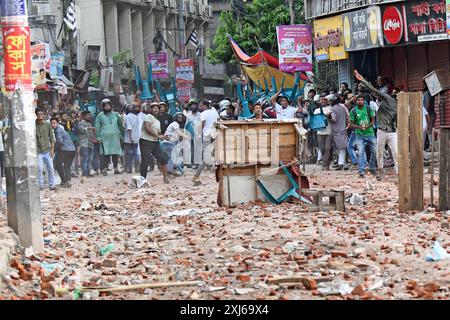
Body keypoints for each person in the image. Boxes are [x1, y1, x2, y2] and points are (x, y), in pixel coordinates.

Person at [354, 70, 398, 179]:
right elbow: (374, 90)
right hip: (382, 130)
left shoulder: (400, 106)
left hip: (392, 131)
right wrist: (362, 80)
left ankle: (398, 173)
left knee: (396, 152)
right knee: (378, 152)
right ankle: (381, 170)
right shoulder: (388, 99)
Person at [139, 102, 169, 183]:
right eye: (154, 108)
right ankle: (142, 180)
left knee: (163, 158)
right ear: (151, 109)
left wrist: (163, 136)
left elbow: (158, 134)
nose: (156, 109)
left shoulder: (158, 121)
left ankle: (165, 177)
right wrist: (158, 136)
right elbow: (147, 128)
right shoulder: (148, 116)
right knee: (145, 160)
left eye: (157, 108)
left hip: (155, 142)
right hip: (145, 141)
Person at [192, 99, 219, 185]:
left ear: (205, 106)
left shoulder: (203, 114)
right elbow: (218, 122)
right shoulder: (215, 112)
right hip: (215, 134)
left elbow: (202, 124)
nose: (200, 107)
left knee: (205, 157)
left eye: (201, 106)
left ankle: (196, 176)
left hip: (207, 135)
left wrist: (198, 135)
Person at [349, 94, 377, 178]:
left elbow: (373, 120)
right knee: (360, 152)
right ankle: (361, 171)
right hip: (359, 134)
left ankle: (371, 167)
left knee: (374, 151)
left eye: (361, 100)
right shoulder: (353, 110)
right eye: (358, 100)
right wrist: (359, 127)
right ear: (356, 101)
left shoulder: (368, 108)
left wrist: (368, 126)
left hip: (370, 133)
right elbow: (351, 124)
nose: (360, 101)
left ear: (363, 101)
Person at [95, 98, 124, 176]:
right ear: (103, 107)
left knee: (115, 154)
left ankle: (116, 169)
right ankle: (104, 169)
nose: (107, 107)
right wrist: (98, 137)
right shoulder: (99, 116)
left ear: (111, 106)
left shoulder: (116, 115)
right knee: (106, 154)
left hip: (115, 137)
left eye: (108, 105)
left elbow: (120, 125)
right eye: (105, 106)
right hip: (104, 138)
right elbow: (97, 127)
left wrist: (122, 135)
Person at [51, 118, 76, 188]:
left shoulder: (58, 130)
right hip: (72, 150)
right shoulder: (62, 130)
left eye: (54, 123)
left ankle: (64, 181)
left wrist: (53, 150)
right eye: (51, 123)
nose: (53, 125)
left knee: (58, 164)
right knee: (67, 166)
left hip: (64, 150)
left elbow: (60, 141)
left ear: (58, 123)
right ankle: (68, 181)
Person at [35, 108, 56, 190]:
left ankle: (52, 184)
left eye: (41, 114)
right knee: (39, 168)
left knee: (50, 168)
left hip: (47, 150)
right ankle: (41, 184)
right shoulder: (34, 125)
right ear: (36, 115)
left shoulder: (47, 124)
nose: (40, 115)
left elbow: (52, 138)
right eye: (38, 114)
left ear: (44, 115)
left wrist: (52, 150)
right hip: (38, 151)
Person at [328, 94, 349, 170]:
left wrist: (328, 118)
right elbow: (347, 118)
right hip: (343, 129)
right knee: (343, 148)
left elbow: (334, 119)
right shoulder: (343, 108)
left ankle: (341, 163)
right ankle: (343, 163)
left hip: (336, 130)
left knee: (337, 148)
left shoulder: (333, 109)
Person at [315, 95, 333, 170]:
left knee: (327, 148)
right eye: (321, 100)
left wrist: (326, 116)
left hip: (329, 131)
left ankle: (325, 165)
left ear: (327, 101)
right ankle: (326, 163)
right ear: (319, 101)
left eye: (324, 100)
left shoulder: (331, 108)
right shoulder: (316, 110)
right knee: (322, 149)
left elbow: (332, 117)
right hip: (319, 132)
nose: (322, 101)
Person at [78, 111, 96, 181]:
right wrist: (90, 128)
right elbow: (82, 130)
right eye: (87, 115)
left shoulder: (89, 123)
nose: (89, 116)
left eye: (89, 115)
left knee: (90, 159)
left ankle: (88, 173)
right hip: (84, 144)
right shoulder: (81, 123)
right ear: (83, 116)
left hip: (90, 144)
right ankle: (84, 174)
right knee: (85, 159)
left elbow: (92, 134)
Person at [124, 103, 141, 173]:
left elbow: (129, 128)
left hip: (129, 138)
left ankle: (130, 169)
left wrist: (131, 138)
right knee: (135, 153)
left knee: (128, 154)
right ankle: (138, 167)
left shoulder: (127, 117)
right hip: (136, 138)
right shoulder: (136, 117)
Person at [422, 80, 435, 149]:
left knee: (429, 129)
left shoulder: (427, 93)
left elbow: (428, 103)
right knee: (427, 130)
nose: (422, 86)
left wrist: (425, 112)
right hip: (429, 114)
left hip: (429, 114)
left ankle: (431, 146)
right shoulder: (427, 93)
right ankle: (427, 145)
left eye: (424, 85)